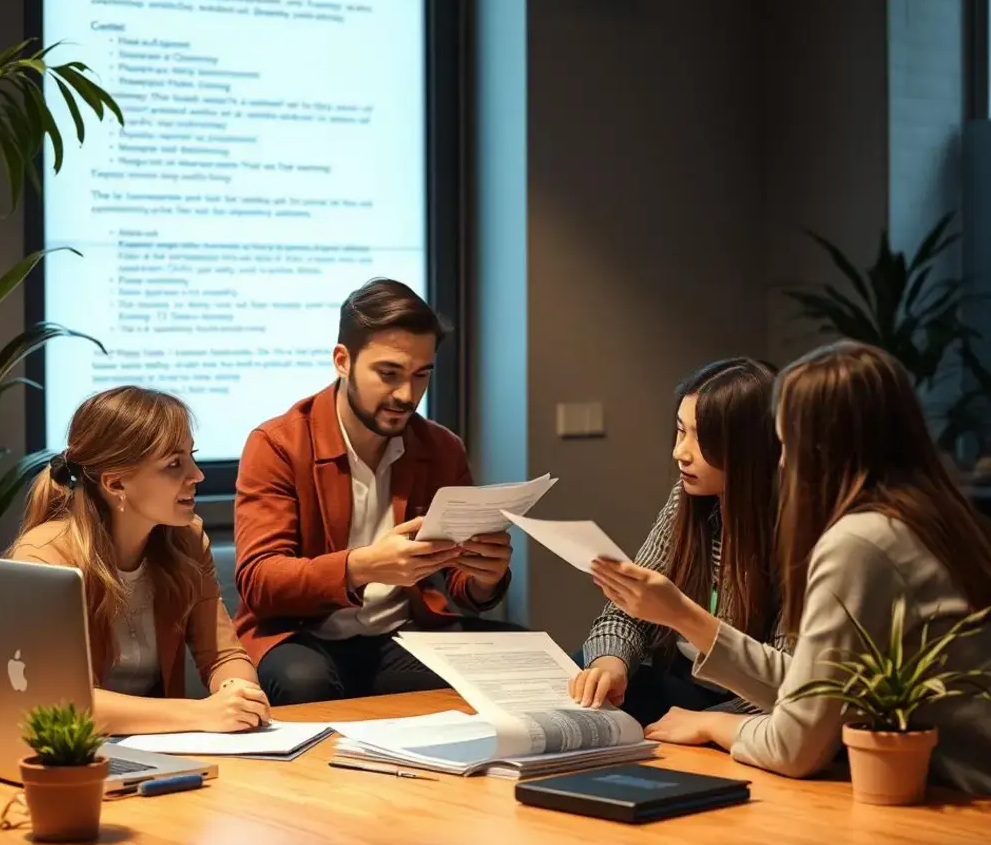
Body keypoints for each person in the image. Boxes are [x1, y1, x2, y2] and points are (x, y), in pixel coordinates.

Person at [592, 342, 991, 793]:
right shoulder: (929, 514)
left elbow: (797, 744)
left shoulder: (857, 542)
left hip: (962, 792)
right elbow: (814, 689)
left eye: (785, 442)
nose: (780, 461)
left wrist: (710, 725)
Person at [234, 277, 515, 704]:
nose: (406, 395)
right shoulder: (278, 444)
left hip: (402, 636)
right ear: (342, 360)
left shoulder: (440, 447)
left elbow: (462, 586)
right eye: (389, 374)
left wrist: (485, 579)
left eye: (422, 375)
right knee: (303, 681)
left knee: (529, 658)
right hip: (299, 635)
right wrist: (360, 567)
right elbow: (259, 580)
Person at [9, 386, 272, 735]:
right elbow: (65, 701)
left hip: (160, 751)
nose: (197, 475)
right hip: (72, 758)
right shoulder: (44, 557)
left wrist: (238, 695)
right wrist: (201, 715)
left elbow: (224, 657)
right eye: (174, 464)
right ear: (116, 483)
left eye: (191, 457)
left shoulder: (188, 542)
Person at [570, 358, 783, 724]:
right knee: (588, 673)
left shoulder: (794, 531)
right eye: (680, 431)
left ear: (751, 447)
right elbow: (628, 613)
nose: (680, 452)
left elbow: (793, 685)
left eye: (701, 438)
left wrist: (709, 723)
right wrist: (611, 663)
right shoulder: (687, 501)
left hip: (749, 703)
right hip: (685, 682)